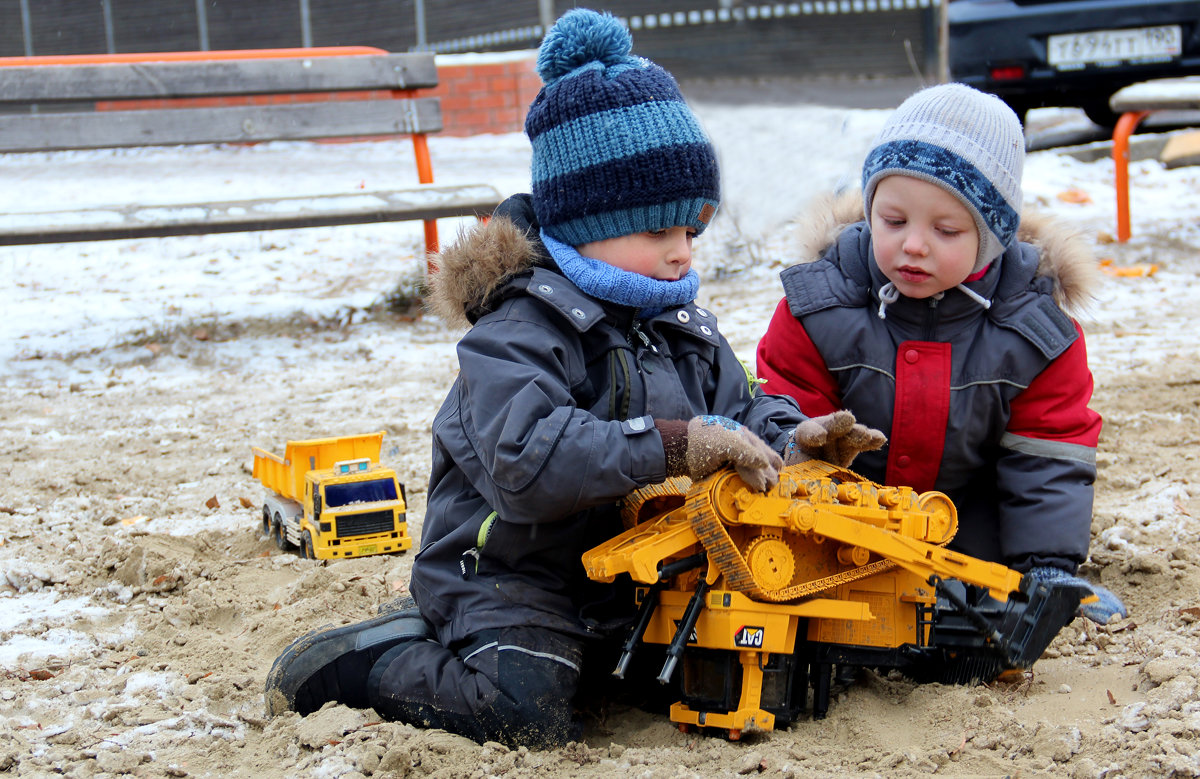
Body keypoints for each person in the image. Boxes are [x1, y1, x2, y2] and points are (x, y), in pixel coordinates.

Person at [264, 9, 880, 748]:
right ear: (580, 219)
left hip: (628, 580)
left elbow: (737, 407)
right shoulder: (517, 330)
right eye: (658, 231)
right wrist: (678, 444)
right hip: (508, 576)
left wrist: (795, 435)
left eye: (692, 229)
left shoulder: (680, 324)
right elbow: (530, 462)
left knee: (727, 668)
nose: (682, 253)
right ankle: (375, 661)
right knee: (527, 709)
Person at [755, 82, 1126, 625]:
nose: (913, 245)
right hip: (846, 511)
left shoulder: (1033, 328)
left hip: (967, 508)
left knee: (980, 596)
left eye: (946, 229)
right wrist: (812, 479)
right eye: (893, 220)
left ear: (992, 235)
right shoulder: (820, 307)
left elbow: (1048, 450)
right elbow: (784, 410)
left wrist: (1045, 565)